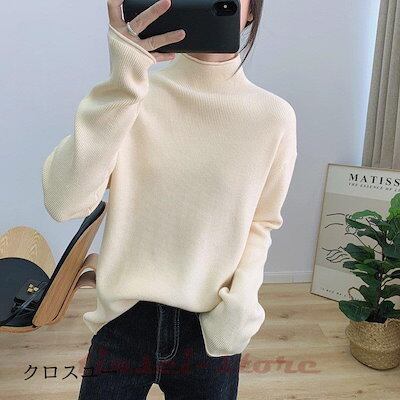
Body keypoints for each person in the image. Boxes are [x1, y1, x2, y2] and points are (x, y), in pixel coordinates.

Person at [41, 0, 298, 398]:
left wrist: (240, 306)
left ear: (251, 11)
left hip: (210, 328)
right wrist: (124, 77)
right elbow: (63, 202)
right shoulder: (132, 95)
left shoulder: (273, 117)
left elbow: (262, 222)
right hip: (123, 321)